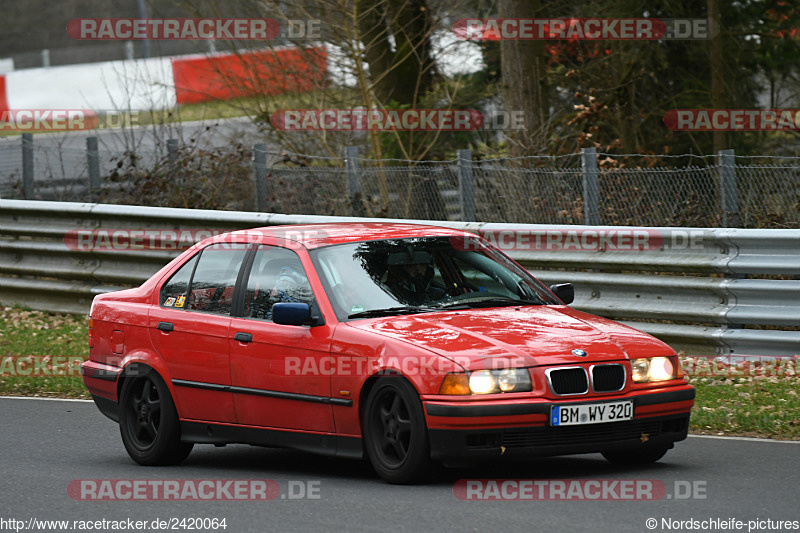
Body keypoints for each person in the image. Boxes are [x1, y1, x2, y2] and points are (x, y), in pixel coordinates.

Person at [382, 250, 446, 305]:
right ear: (399, 270)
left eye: (422, 265)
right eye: (410, 266)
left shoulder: (439, 295)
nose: (418, 271)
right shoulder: (386, 294)